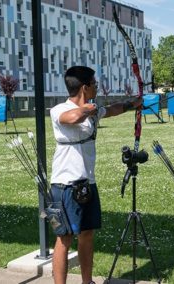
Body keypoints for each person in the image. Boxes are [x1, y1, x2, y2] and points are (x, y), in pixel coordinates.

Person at [49, 66, 141, 284]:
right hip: (65, 185)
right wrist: (89, 109)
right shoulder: (59, 109)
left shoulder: (93, 110)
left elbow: (112, 109)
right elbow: (71, 118)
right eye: (95, 84)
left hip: (87, 182)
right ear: (85, 87)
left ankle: (87, 281)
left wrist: (132, 104)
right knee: (64, 238)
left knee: (87, 233)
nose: (97, 87)